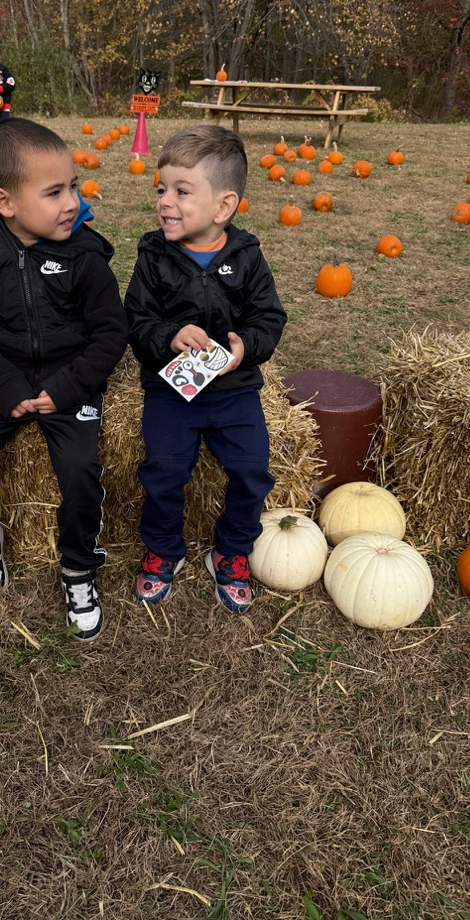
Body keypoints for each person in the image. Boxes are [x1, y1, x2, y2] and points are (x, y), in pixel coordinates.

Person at [0, 118, 128, 641]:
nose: (72, 201)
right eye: (54, 192)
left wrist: (68, 389)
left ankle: (78, 569)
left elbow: (111, 334)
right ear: (5, 202)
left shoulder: (85, 256)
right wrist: (4, 388)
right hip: (4, 376)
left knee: (78, 466)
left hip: (71, 380)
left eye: (73, 186)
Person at [124, 125, 287, 614]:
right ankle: (164, 549)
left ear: (223, 207)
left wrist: (245, 348)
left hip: (233, 390)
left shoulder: (247, 257)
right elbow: (136, 320)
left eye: (181, 191)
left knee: (252, 468)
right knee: (164, 470)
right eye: (161, 189)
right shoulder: (153, 257)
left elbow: (269, 319)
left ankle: (232, 551)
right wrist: (169, 336)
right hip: (171, 391)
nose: (165, 202)